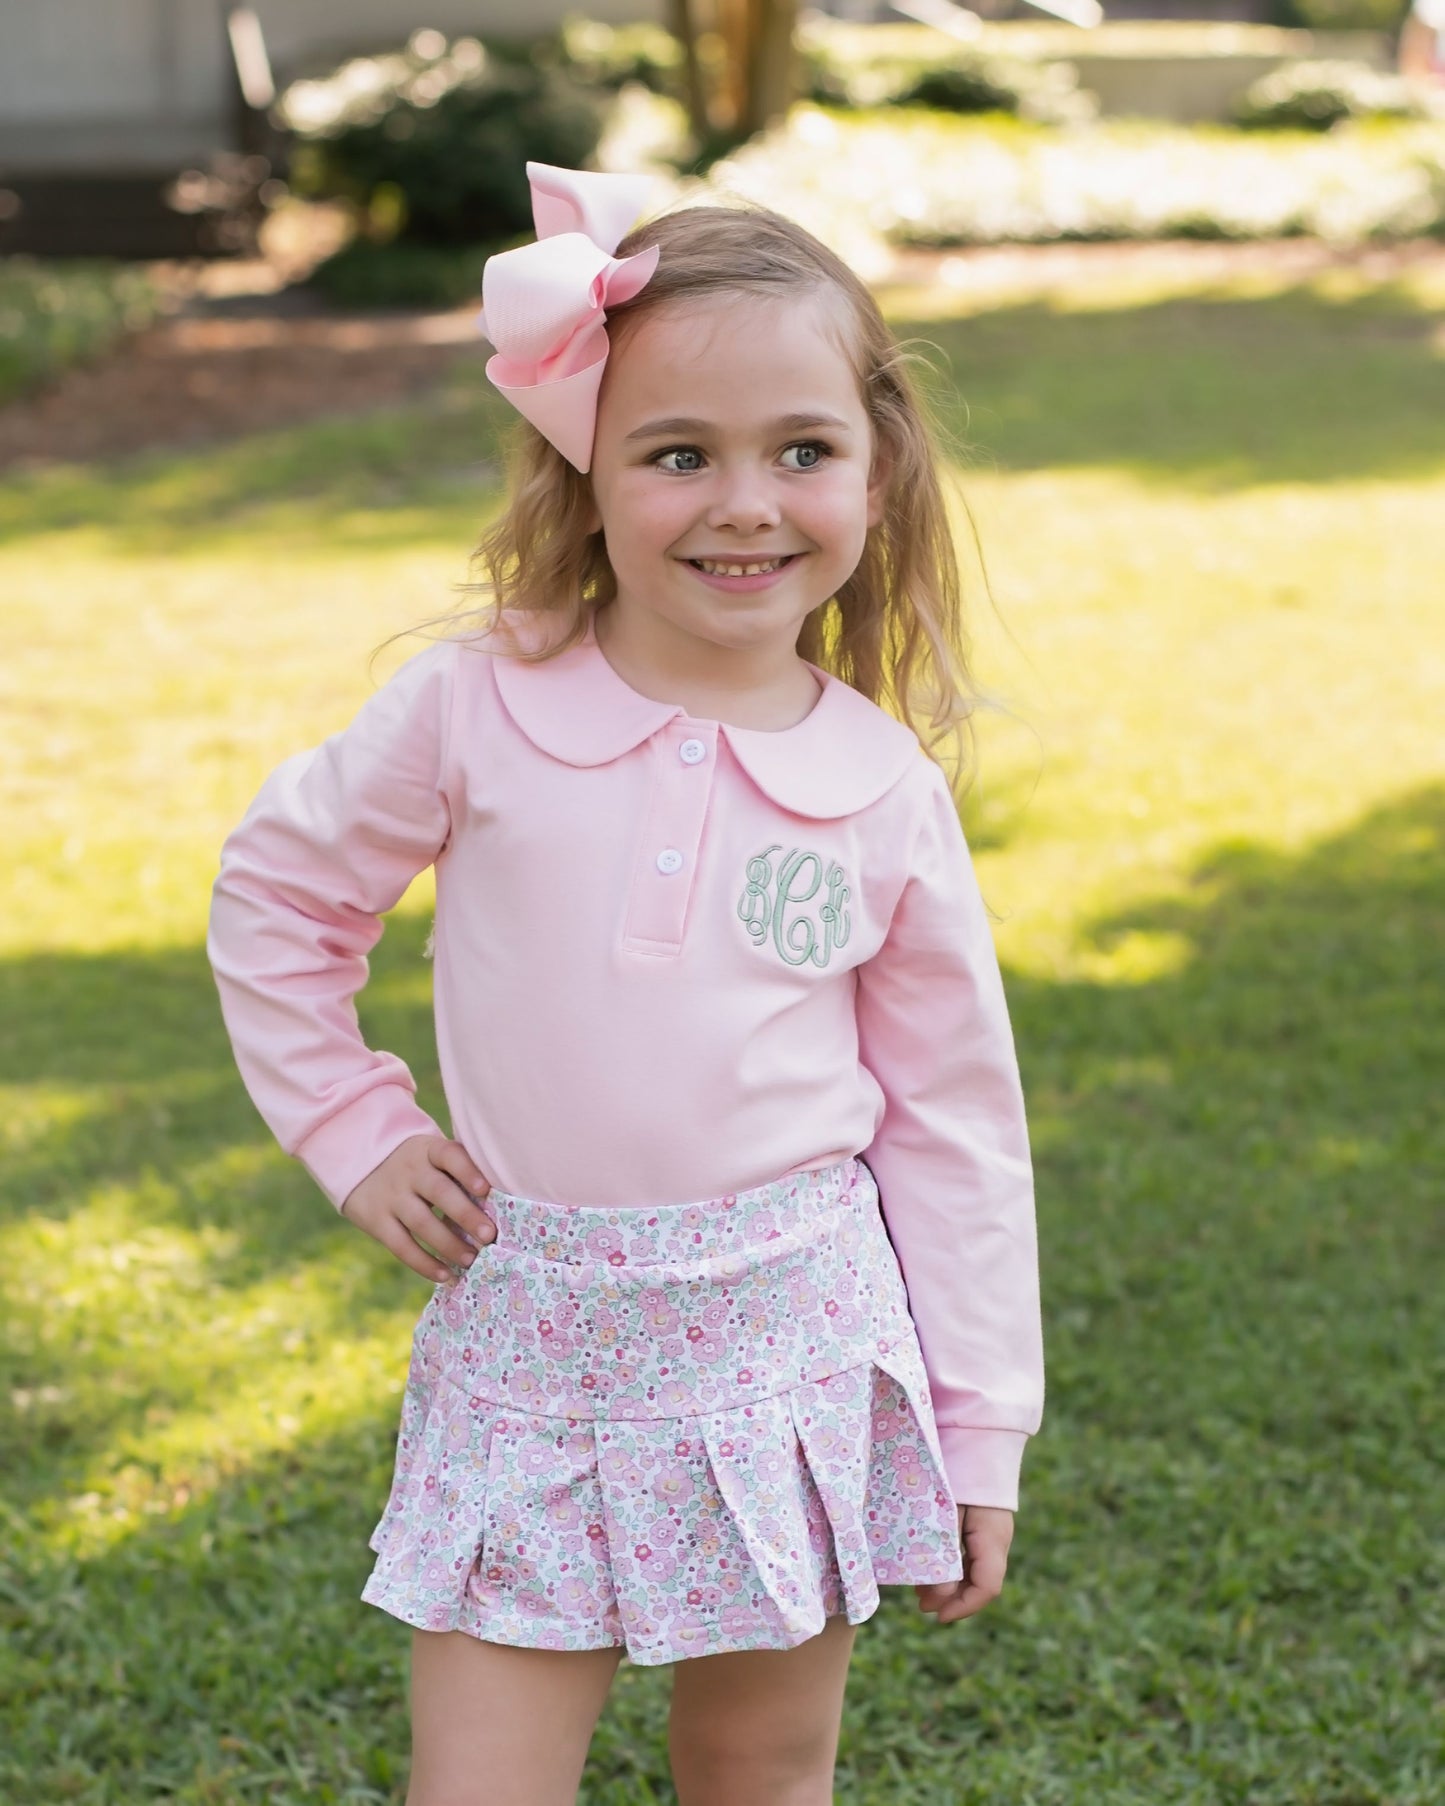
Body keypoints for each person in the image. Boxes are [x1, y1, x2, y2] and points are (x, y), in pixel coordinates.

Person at [206, 161, 1045, 1806]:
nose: (744, 501)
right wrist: (355, 1126)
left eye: (800, 450)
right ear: (587, 471)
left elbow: (954, 1125)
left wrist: (976, 1425)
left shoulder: (880, 790)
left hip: (789, 1345)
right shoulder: (474, 710)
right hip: (535, 1342)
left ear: (877, 471)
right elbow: (278, 900)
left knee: (757, 1770)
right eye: (679, 454)